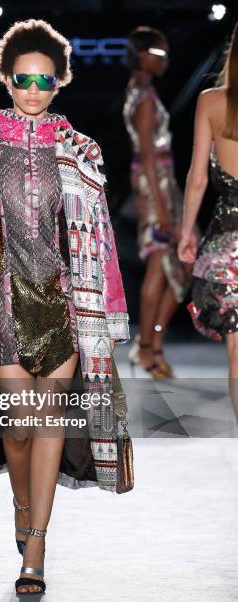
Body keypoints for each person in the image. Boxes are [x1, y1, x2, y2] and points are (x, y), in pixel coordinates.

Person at [0, 18, 133, 596]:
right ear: (7, 79)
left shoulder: (79, 150)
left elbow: (100, 239)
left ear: (61, 81)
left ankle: (35, 548)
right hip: (0, 302)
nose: (35, 89)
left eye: (46, 79)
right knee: (17, 432)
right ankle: (22, 505)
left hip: (64, 303)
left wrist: (106, 314)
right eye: (24, 78)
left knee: (45, 425)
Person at [123, 26, 195, 379]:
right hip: (157, 191)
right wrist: (163, 210)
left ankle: (151, 343)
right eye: (160, 54)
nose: (164, 61)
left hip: (161, 187)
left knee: (180, 265)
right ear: (142, 56)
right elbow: (149, 157)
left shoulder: (142, 92)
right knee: (163, 264)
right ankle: (149, 347)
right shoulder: (145, 99)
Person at [178, 21, 238, 420]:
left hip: (229, 241)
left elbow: (198, 177)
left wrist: (186, 232)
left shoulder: (212, 102)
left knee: (237, 350)